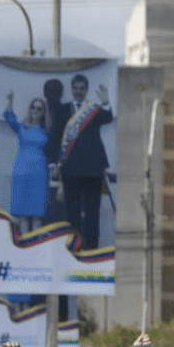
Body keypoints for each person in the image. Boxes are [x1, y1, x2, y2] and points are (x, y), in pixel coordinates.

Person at [59, 73, 114, 250]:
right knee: (72, 211)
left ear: (86, 90)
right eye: (76, 88)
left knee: (92, 212)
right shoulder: (63, 109)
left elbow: (108, 118)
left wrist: (105, 101)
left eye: (82, 89)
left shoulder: (95, 110)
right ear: (71, 89)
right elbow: (55, 137)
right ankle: (73, 248)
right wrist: (54, 164)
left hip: (93, 168)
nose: (78, 92)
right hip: (71, 169)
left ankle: (91, 249)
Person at [3, 90, 50, 232]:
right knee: (21, 213)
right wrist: (10, 102)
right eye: (33, 107)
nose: (35, 110)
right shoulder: (22, 127)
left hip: (39, 173)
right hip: (22, 170)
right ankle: (22, 245)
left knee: (37, 214)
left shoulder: (47, 131)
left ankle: (35, 246)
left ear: (43, 112)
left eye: (39, 108)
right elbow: (10, 118)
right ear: (29, 109)